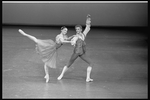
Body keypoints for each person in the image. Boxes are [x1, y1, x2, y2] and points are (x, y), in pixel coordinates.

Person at [57, 14, 93, 82]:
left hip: (81, 52)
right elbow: (74, 40)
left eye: (78, 29)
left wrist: (88, 18)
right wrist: (73, 42)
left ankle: (88, 78)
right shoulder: (76, 36)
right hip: (76, 52)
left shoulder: (83, 34)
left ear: (81, 29)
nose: (77, 30)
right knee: (69, 64)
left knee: (91, 63)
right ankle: (61, 75)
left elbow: (88, 26)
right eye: (76, 29)